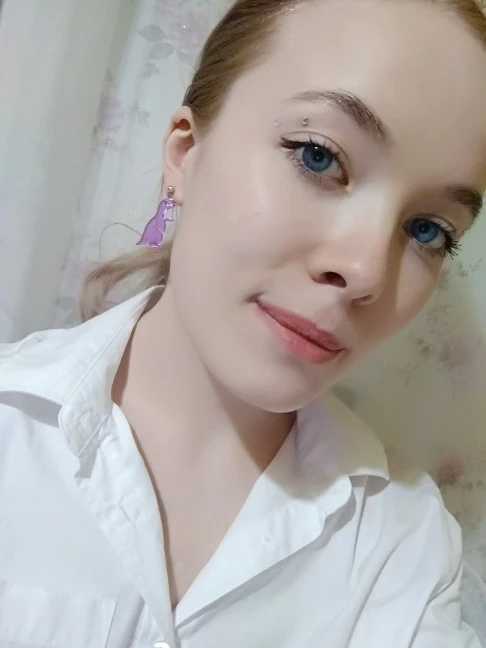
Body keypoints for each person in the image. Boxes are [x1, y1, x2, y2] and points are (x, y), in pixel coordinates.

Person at [1, 0, 486, 645]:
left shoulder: (404, 545)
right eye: (319, 157)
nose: (367, 270)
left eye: (428, 231)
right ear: (185, 151)